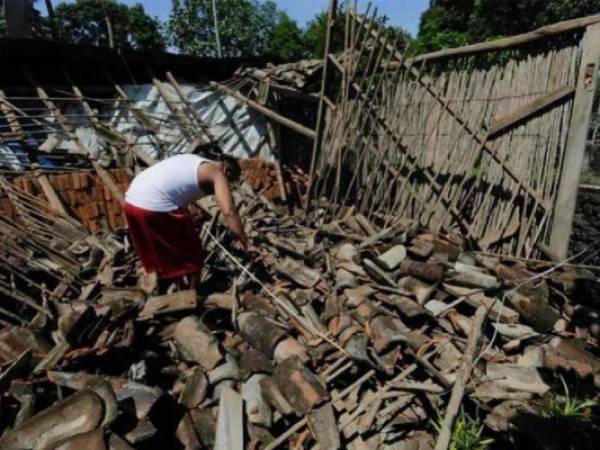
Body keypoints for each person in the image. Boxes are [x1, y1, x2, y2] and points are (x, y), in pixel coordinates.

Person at [123, 153, 249, 287]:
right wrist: (246, 243)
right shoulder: (217, 173)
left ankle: (169, 286)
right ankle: (193, 293)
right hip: (154, 206)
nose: (227, 186)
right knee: (193, 252)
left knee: (164, 253)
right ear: (226, 171)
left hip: (131, 202)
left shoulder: (194, 160)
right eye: (229, 182)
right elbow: (229, 212)